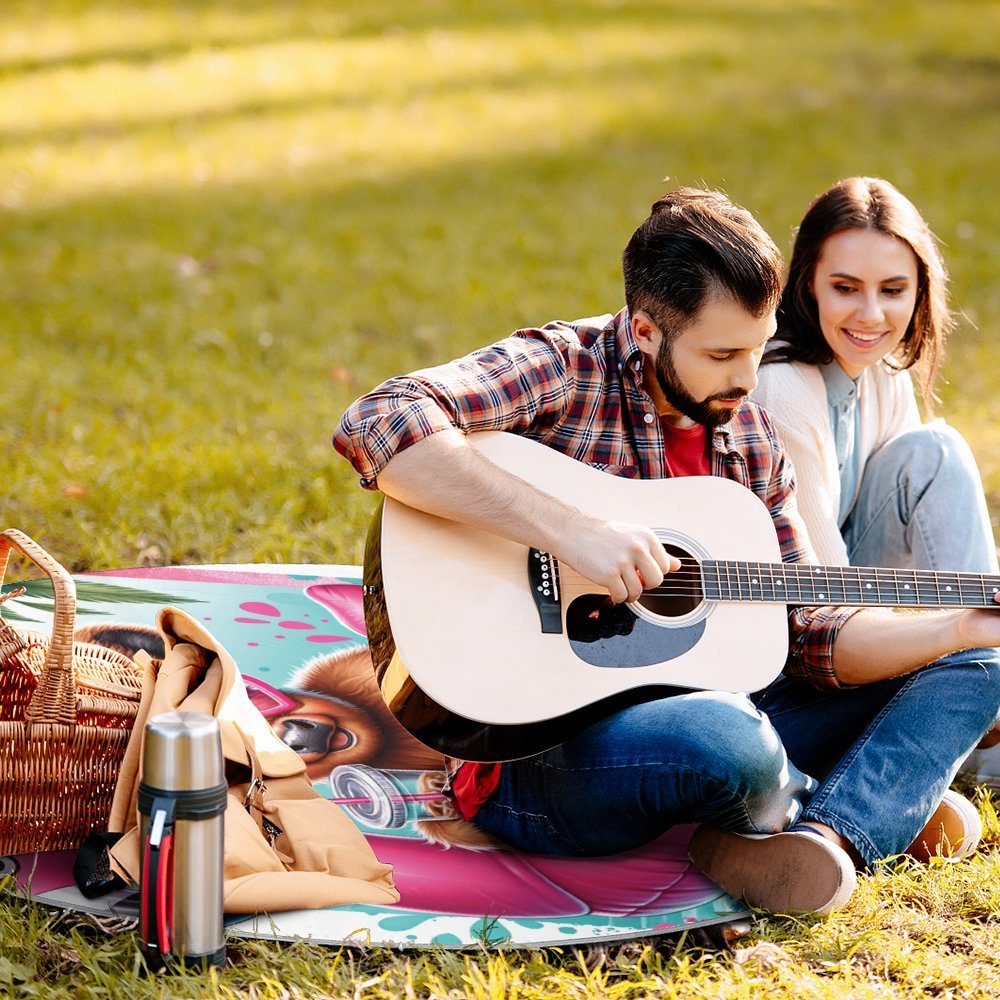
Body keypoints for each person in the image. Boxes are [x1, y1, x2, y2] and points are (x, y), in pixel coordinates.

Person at [333, 188, 1000, 916]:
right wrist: (568, 530)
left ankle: (831, 837)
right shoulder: (564, 367)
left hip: (724, 709)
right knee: (728, 741)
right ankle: (863, 796)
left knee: (980, 664)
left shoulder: (747, 435)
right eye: (722, 354)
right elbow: (380, 419)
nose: (748, 380)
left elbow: (810, 629)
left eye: (757, 346)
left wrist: (956, 628)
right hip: (537, 757)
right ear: (646, 331)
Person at [753, 176, 1000, 788]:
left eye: (893, 290)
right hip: (796, 650)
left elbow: (919, 545)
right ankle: (978, 729)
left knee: (931, 451)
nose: (871, 315)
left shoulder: (882, 370)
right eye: (845, 288)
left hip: (861, 615)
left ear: (920, 291)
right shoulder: (783, 386)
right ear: (807, 281)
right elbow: (824, 603)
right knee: (937, 451)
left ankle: (978, 696)